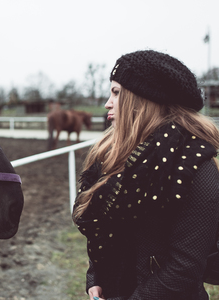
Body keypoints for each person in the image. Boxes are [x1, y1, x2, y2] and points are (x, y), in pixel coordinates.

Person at [73, 50, 219, 300]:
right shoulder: (114, 156)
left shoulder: (197, 168)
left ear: (144, 99)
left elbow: (185, 268)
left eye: (116, 92)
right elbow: (108, 232)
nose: (108, 103)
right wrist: (96, 278)